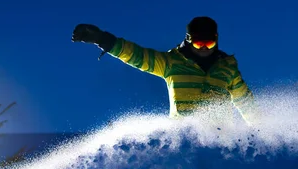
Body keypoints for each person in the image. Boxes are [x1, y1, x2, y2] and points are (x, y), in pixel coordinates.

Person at [71, 16, 258, 125]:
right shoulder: (171, 62)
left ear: (216, 40)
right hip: (187, 143)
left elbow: (245, 102)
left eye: (209, 43)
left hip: (223, 143)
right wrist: (102, 39)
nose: (203, 48)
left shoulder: (227, 68)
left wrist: (263, 133)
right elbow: (137, 56)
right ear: (188, 39)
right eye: (199, 42)